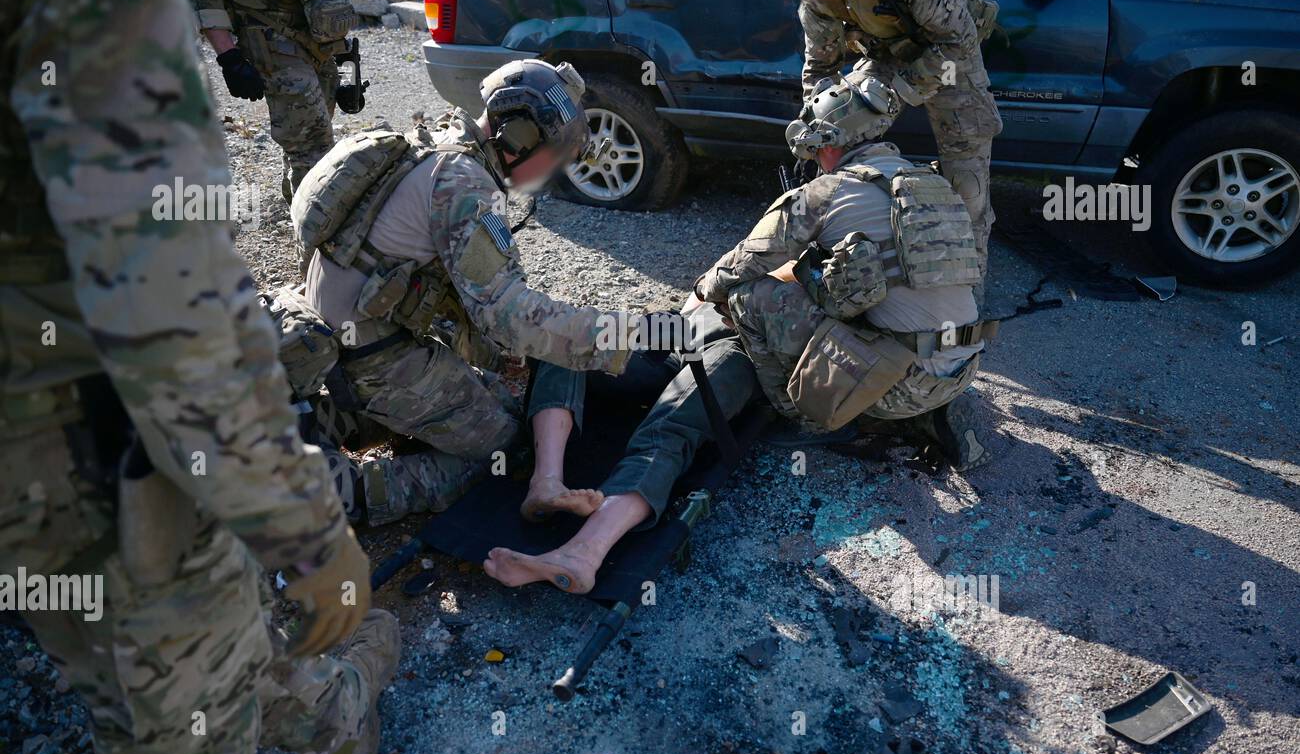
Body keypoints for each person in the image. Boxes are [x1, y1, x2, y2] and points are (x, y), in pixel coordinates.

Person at [0, 0, 396, 754]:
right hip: (78, 454)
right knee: (188, 728)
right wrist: (308, 532)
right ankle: (330, 718)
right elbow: (170, 307)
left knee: (110, 667)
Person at [296, 60, 642, 526]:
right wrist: (620, 336)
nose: (552, 169)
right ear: (518, 136)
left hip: (338, 327)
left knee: (496, 392)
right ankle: (343, 491)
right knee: (504, 448)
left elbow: (451, 290)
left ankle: (329, 417)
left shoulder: (443, 145)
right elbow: (509, 315)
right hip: (372, 353)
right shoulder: (465, 185)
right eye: (552, 153)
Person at [698, 72, 995, 471]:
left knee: (747, 296)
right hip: (964, 368)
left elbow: (745, 263)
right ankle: (924, 412)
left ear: (830, 142)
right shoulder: (932, 182)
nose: (817, 159)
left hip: (898, 384)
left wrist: (702, 290)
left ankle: (810, 417)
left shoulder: (824, 193)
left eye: (817, 148)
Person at [776, 0, 1002, 280]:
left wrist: (896, 91)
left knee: (968, 184)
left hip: (948, 56)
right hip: (887, 52)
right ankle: (845, 264)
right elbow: (820, 69)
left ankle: (966, 289)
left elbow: (957, 43)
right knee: (831, 119)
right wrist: (814, 131)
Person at [483, 304, 758, 594]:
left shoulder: (803, 264)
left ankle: (582, 554)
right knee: (567, 343)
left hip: (738, 348)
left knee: (669, 428)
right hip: (679, 330)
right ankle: (546, 483)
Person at [177, 0, 357, 201]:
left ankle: (302, 213)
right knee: (313, 147)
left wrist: (338, 43)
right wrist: (229, 59)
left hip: (316, 36)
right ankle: (318, 239)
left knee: (310, 140)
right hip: (269, 38)